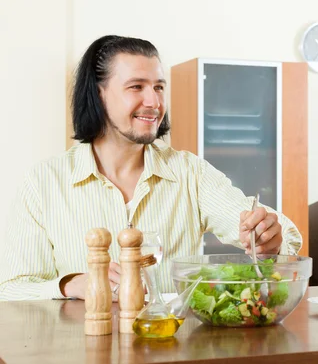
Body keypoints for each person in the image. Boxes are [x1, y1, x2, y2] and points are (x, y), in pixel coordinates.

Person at [0, 35, 302, 301]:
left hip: (172, 348)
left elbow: (285, 236)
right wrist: (71, 284)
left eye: (159, 87)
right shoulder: (43, 182)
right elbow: (12, 289)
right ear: (98, 93)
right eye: (136, 87)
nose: (154, 101)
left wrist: (268, 240)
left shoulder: (190, 173)